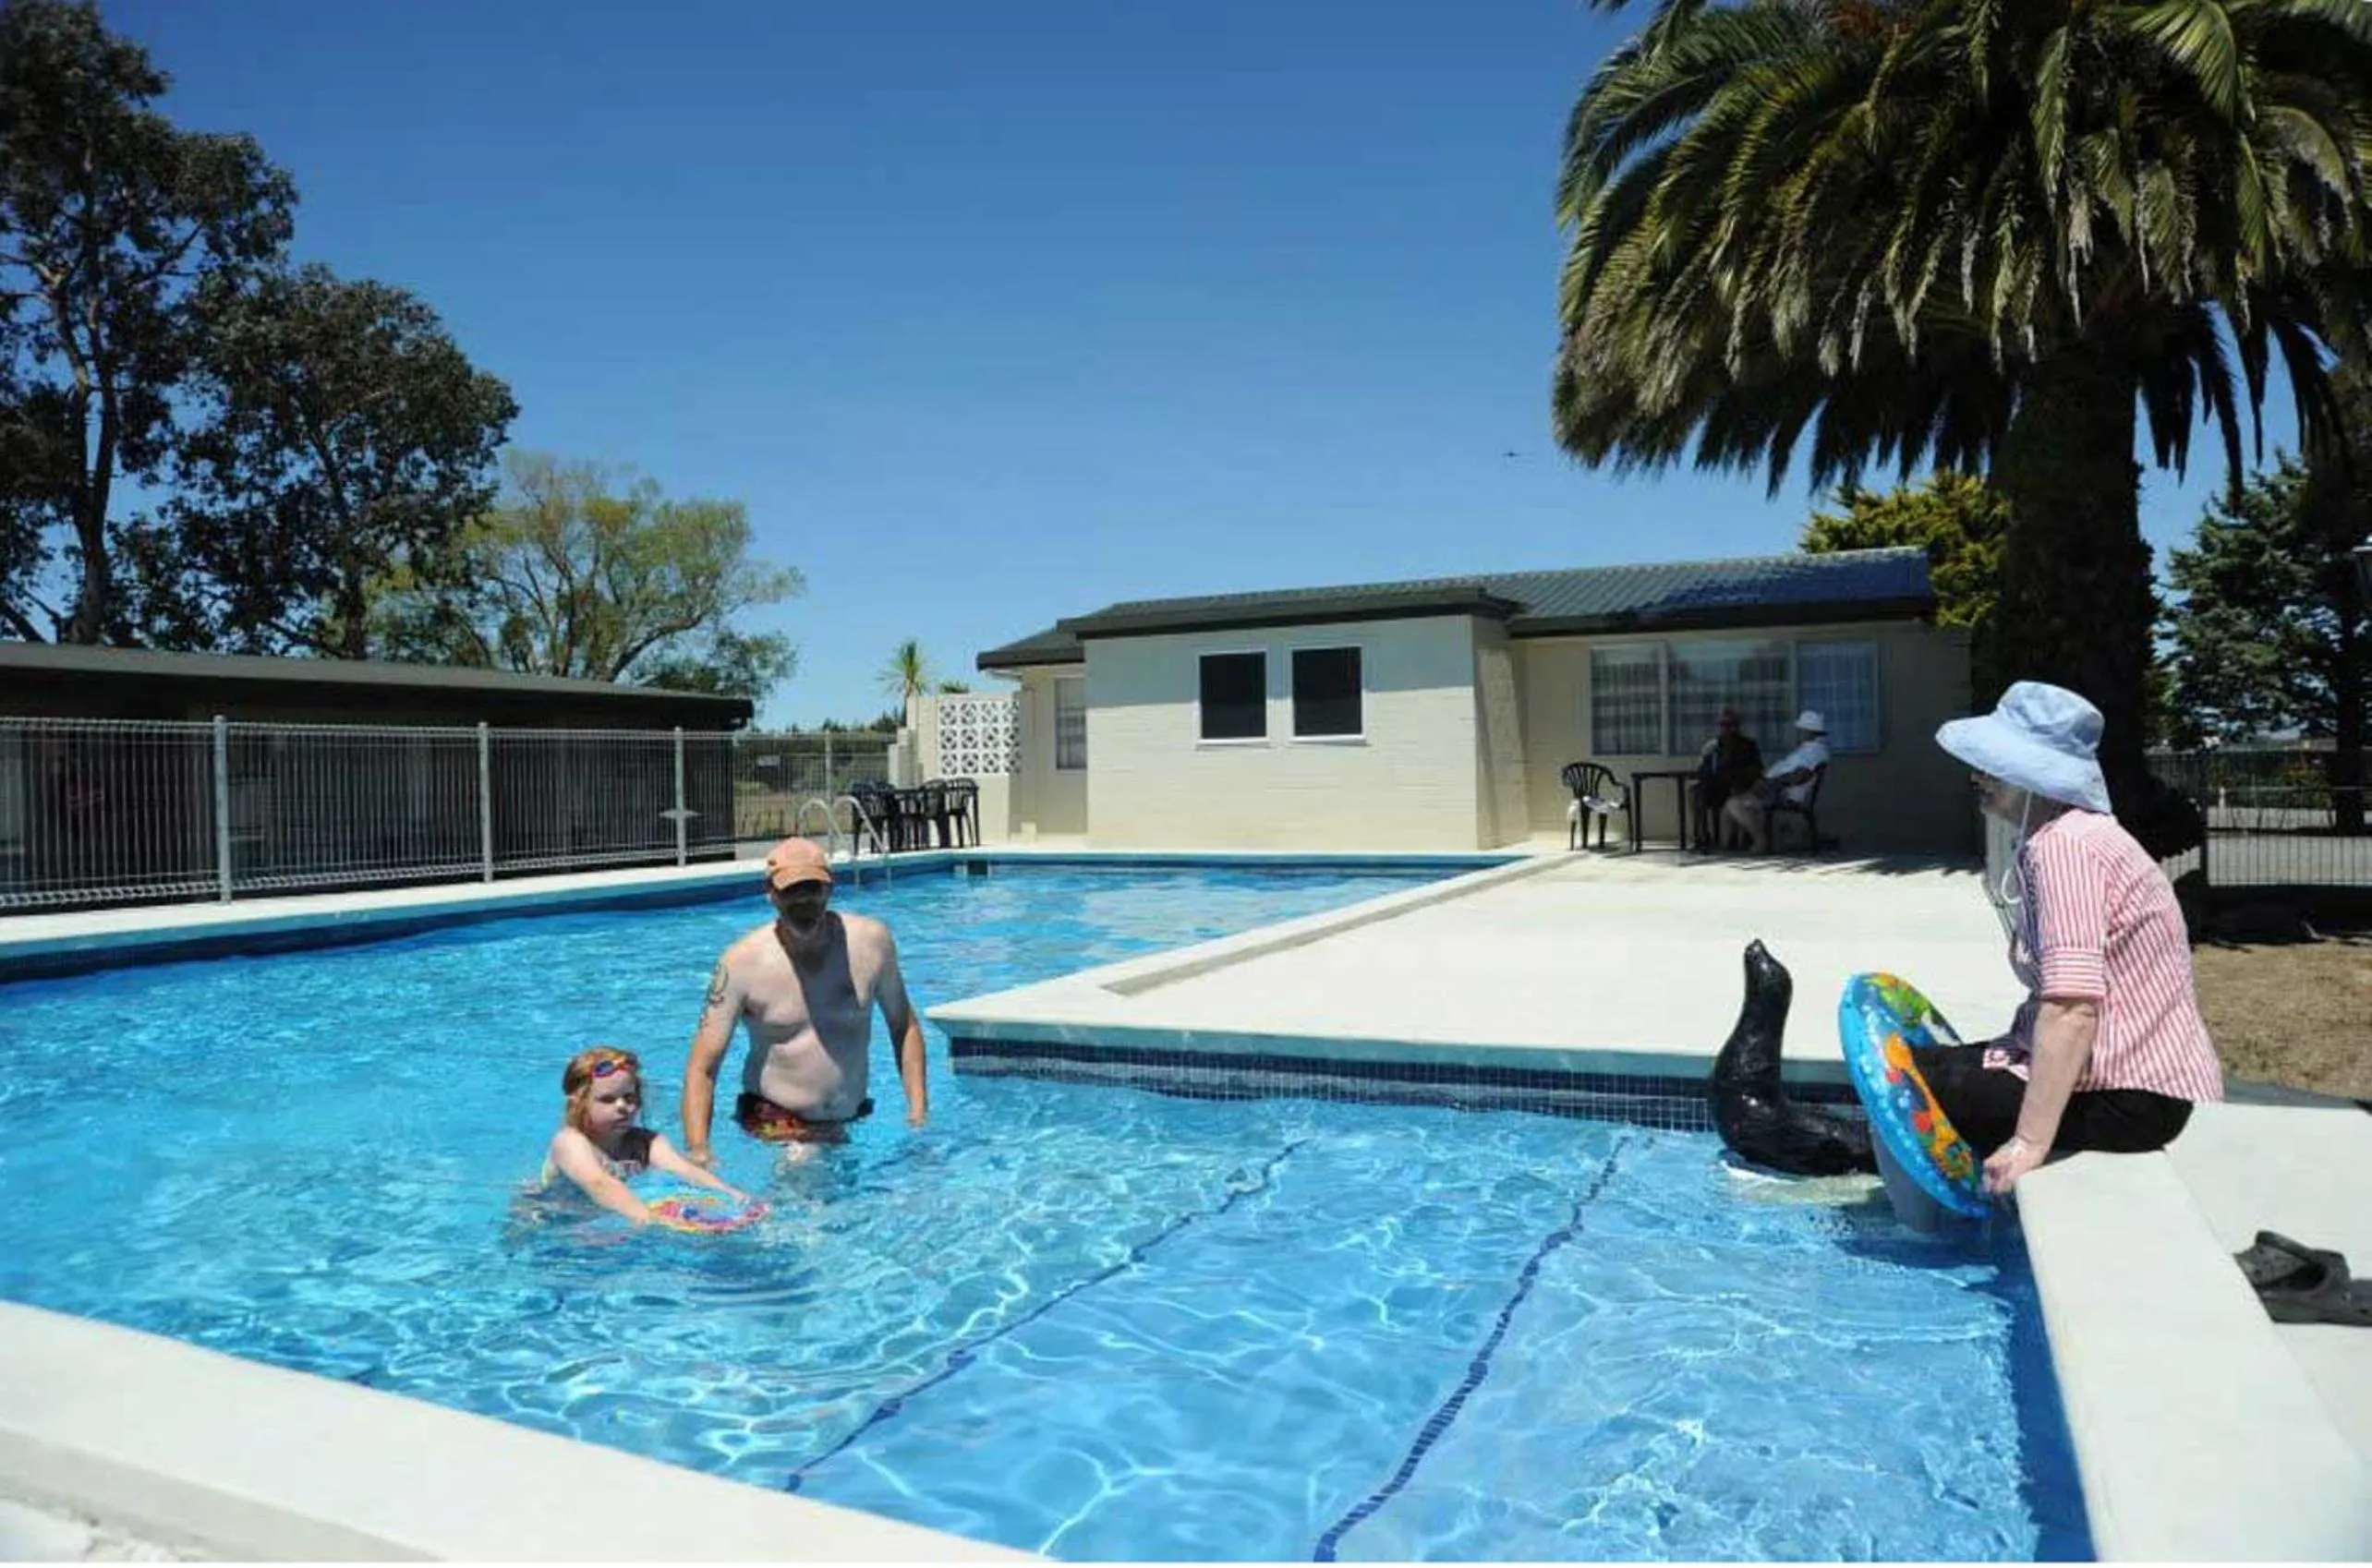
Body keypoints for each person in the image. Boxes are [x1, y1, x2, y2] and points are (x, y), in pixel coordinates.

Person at [1924, 681, 2223, 1197]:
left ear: (2037, 778)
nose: (1978, 776)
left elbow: (2072, 1008)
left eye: (1994, 765)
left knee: (1914, 1088)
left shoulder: (2066, 848)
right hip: (2133, 1085)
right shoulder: (2070, 835)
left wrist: (2029, 1142)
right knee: (1920, 1068)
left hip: (2125, 1096)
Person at [681, 837, 928, 1164]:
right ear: (769, 893)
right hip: (775, 1120)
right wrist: (699, 1149)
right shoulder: (740, 964)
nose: (803, 901)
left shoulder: (871, 944)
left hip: (849, 1116)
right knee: (804, 1168)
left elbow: (903, 1025)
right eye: (790, 891)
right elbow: (703, 1067)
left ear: (830, 887)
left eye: (812, 888)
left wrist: (918, 1113)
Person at [539, 1046, 750, 1224]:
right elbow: (599, 1184)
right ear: (577, 1105)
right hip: (554, 1215)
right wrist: (648, 1219)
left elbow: (684, 1170)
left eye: (629, 1097)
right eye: (607, 1100)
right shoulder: (570, 1141)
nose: (623, 1106)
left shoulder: (646, 1142)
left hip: (606, 1211)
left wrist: (734, 1196)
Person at [1722, 710, 1829, 853]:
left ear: (1809, 731)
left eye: (1802, 729)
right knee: (1728, 808)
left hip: (1784, 794)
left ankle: (1760, 840)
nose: (1799, 732)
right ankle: (1728, 847)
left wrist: (1770, 784)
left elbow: (1800, 776)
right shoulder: (1807, 749)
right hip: (1775, 789)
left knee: (1733, 804)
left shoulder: (1814, 752)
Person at [1692, 708, 1764, 850]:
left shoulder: (1748, 745)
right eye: (1724, 725)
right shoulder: (1713, 746)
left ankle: (1738, 841)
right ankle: (1702, 837)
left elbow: (1756, 769)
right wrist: (1706, 771)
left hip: (1738, 788)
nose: (1728, 728)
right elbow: (1702, 769)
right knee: (1695, 793)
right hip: (1716, 787)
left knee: (1736, 798)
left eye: (1732, 724)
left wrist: (1738, 777)